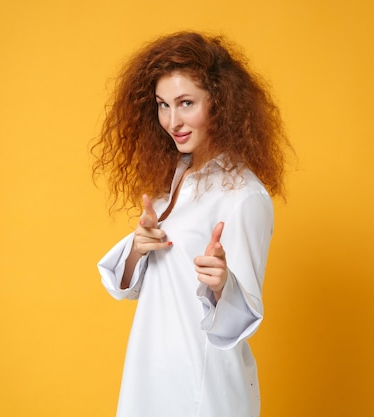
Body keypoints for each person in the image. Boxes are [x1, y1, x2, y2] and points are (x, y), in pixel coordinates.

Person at [92, 31, 291, 417]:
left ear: (221, 103)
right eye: (163, 105)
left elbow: (242, 318)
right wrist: (137, 246)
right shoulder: (177, 177)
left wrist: (223, 284)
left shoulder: (244, 196)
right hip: (151, 370)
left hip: (201, 385)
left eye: (186, 103)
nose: (172, 121)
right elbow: (124, 287)